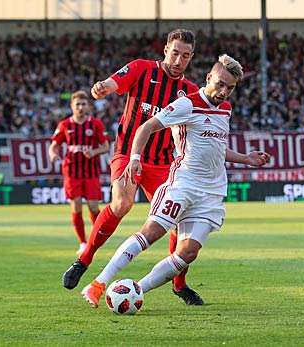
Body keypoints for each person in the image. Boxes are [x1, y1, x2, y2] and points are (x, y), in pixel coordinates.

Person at [81, 54, 270, 308]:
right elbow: (145, 128)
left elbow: (216, 146)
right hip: (182, 185)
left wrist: (246, 159)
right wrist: (135, 157)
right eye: (220, 84)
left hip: (210, 194)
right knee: (151, 233)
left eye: (230, 88)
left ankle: (137, 290)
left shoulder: (225, 109)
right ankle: (99, 283)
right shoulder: (186, 104)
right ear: (208, 78)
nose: (224, 91)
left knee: (188, 253)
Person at [62, 29, 202, 305]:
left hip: (163, 162)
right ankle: (84, 259)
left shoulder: (191, 92)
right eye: (175, 53)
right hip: (128, 153)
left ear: (191, 57)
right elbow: (114, 82)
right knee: (122, 203)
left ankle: (179, 284)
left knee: (178, 225)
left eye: (185, 56)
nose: (178, 60)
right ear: (165, 50)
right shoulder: (141, 69)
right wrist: (103, 87)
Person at [49, 91, 109, 255]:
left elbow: (105, 147)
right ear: (72, 106)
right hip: (72, 172)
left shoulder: (96, 124)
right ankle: (83, 243)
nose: (81, 107)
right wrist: (53, 154)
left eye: (83, 104)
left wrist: (94, 151)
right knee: (76, 207)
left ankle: (96, 239)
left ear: (88, 106)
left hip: (91, 172)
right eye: (78, 104)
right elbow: (54, 145)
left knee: (93, 207)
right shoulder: (65, 125)